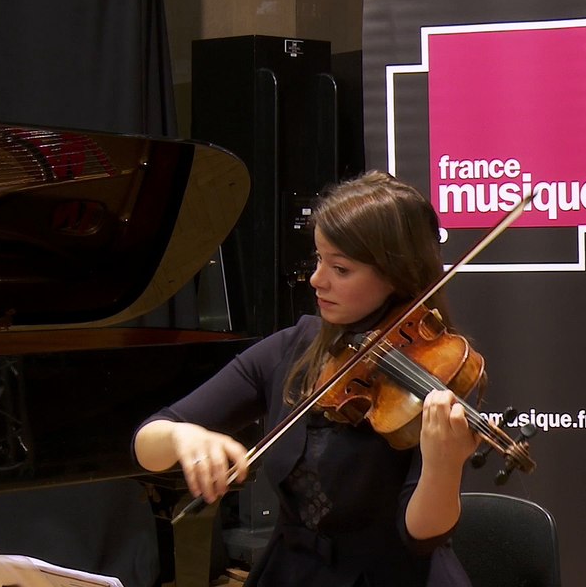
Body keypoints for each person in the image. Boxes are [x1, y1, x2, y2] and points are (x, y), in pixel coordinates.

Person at [134, 172, 478, 587]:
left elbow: (423, 536)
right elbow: (147, 443)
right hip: (290, 572)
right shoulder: (292, 348)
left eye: (340, 268)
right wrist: (180, 437)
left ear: (396, 274)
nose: (318, 280)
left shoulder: (436, 369)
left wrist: (443, 465)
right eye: (318, 260)